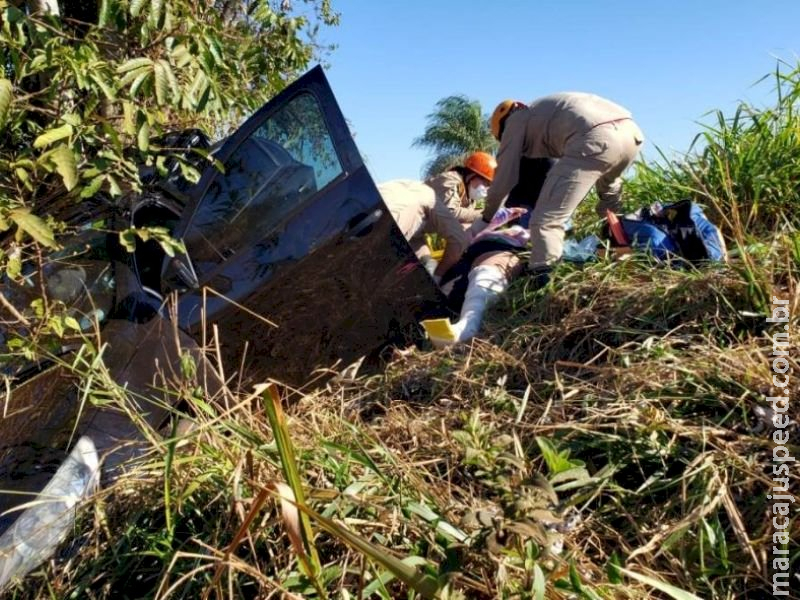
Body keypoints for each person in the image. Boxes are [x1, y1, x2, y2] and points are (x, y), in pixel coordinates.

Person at [477, 93, 644, 282]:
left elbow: (504, 177)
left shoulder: (516, 118)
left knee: (545, 221)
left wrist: (486, 218)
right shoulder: (544, 110)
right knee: (609, 202)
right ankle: (624, 249)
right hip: (632, 136)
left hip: (595, 138)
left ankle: (544, 286)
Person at [377, 179, 470, 280]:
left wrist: (426, 259)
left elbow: (415, 236)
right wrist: (437, 275)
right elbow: (459, 240)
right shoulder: (431, 199)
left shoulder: (407, 186)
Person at [424, 151, 497, 224]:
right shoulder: (450, 180)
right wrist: (486, 214)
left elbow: (477, 211)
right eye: (485, 183)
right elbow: (450, 214)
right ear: (472, 176)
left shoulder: (474, 196)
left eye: (489, 185)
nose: (486, 188)